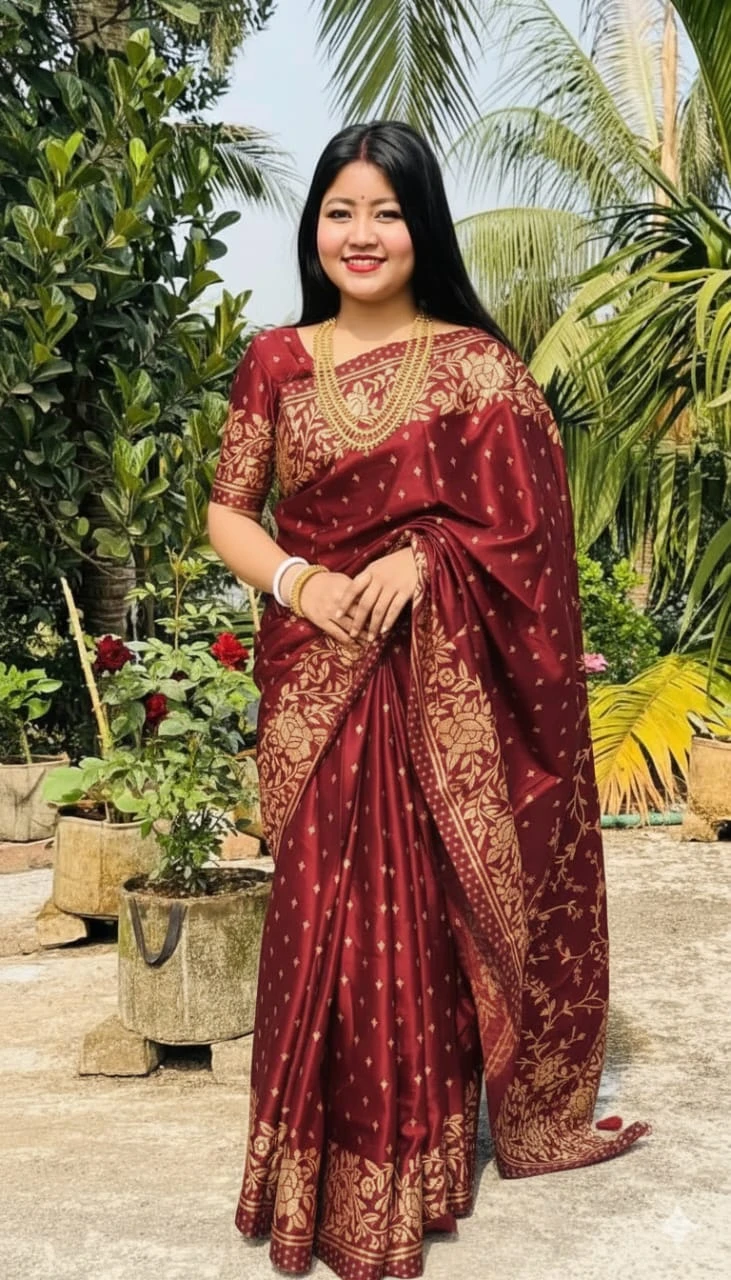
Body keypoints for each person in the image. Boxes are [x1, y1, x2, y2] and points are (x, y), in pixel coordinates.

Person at [207, 120, 649, 1280]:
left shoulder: (478, 368)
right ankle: (307, 1170)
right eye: (339, 211)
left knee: (413, 925)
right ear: (313, 225)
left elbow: (529, 538)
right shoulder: (274, 360)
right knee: (319, 920)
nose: (360, 234)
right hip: (315, 682)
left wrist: (429, 560)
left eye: (386, 212)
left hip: (433, 686)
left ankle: (417, 1163)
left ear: (424, 227)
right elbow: (227, 511)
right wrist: (302, 582)